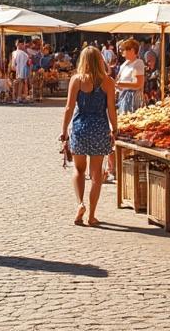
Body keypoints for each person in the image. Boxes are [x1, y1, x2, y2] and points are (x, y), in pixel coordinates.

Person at [60, 46, 117, 226]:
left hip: (80, 128)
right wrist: (115, 128)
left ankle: (80, 204)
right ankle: (92, 215)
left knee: (78, 170)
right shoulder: (108, 81)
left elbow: (69, 108)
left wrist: (63, 131)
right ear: (100, 60)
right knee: (96, 174)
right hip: (99, 129)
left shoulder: (76, 80)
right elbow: (111, 109)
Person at [115, 38, 145, 114]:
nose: (121, 51)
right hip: (122, 97)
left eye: (123, 49)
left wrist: (121, 84)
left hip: (132, 99)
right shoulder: (124, 64)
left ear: (132, 50)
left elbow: (139, 84)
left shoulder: (138, 63)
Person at [10, 40, 32, 104]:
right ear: (19, 44)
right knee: (20, 83)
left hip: (16, 70)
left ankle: (16, 97)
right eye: (22, 44)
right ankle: (18, 97)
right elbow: (28, 63)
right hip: (22, 70)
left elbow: (13, 64)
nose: (23, 45)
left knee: (18, 83)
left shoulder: (14, 53)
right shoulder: (24, 54)